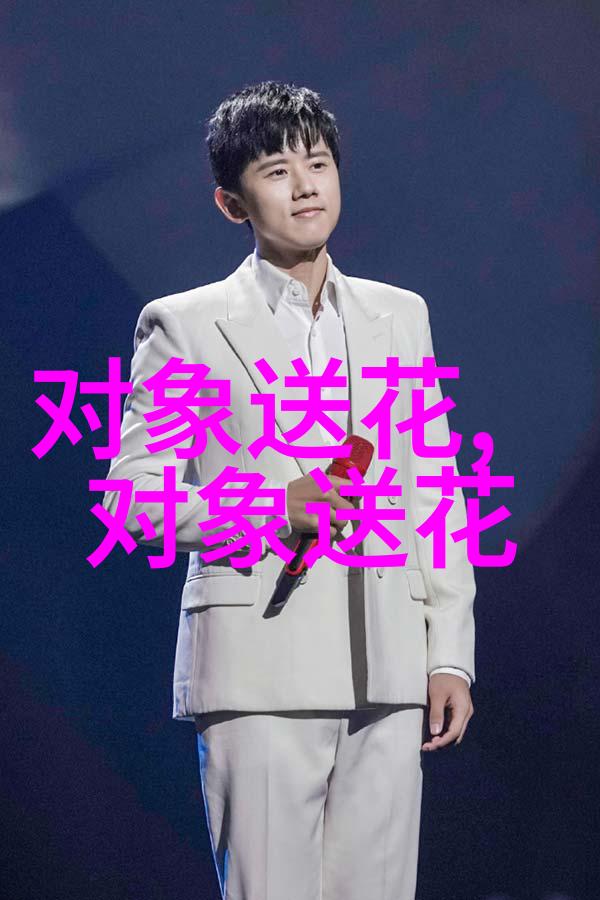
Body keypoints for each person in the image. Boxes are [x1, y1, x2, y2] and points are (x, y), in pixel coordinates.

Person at [103, 80, 476, 900]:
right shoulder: (185, 325)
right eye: (277, 171)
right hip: (259, 669)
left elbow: (434, 490)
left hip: (387, 668)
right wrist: (272, 509)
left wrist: (448, 652)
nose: (306, 186)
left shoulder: (399, 316)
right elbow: (133, 499)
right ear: (232, 203)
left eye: (318, 163)